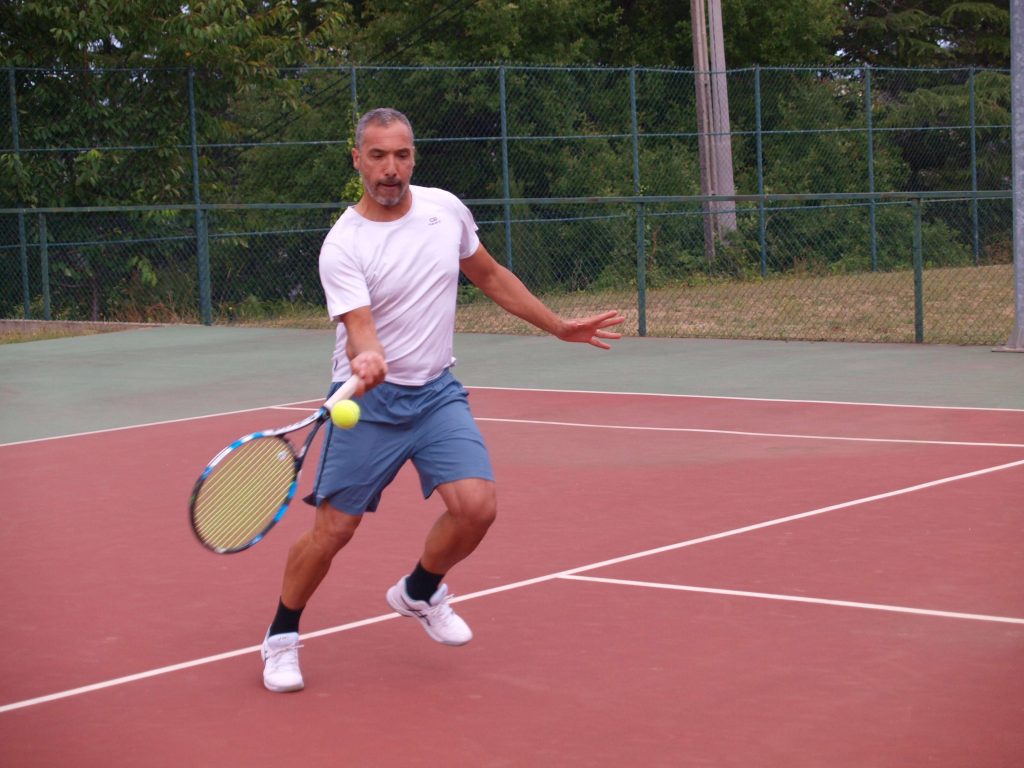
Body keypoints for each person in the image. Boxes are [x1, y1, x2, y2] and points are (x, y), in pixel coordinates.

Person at [261, 107, 625, 693]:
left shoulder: (443, 210)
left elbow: (489, 274)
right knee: (333, 532)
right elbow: (358, 323)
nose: (390, 168)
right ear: (357, 159)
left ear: (414, 157)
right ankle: (281, 636)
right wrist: (368, 354)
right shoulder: (343, 244)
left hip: (435, 394)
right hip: (368, 403)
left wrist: (557, 326)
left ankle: (419, 591)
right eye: (377, 155)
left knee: (477, 507)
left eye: (401, 155)